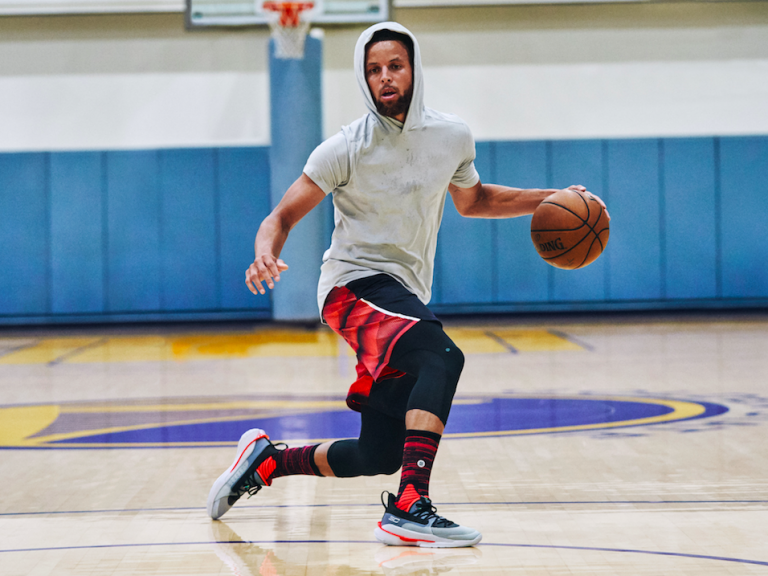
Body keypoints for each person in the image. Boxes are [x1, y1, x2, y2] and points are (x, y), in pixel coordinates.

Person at [207, 21, 608, 548]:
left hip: (403, 292)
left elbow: (475, 200)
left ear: (414, 69)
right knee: (441, 355)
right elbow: (280, 217)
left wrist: (552, 198)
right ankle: (409, 505)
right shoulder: (344, 148)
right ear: (364, 79)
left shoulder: (451, 136)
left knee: (377, 454)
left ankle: (268, 462)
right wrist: (265, 252)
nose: (385, 77)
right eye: (374, 70)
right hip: (351, 286)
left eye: (395, 65)